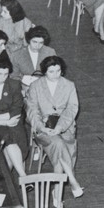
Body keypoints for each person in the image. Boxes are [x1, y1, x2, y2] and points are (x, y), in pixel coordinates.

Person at [27, 56, 84, 198]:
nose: (55, 75)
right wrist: (41, 127)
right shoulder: (35, 86)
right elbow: (32, 110)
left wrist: (60, 127)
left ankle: (57, 192)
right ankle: (72, 180)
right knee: (58, 144)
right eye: (51, 72)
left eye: (58, 71)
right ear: (44, 72)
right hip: (44, 129)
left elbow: (72, 109)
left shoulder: (69, 85)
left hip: (65, 127)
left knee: (60, 148)